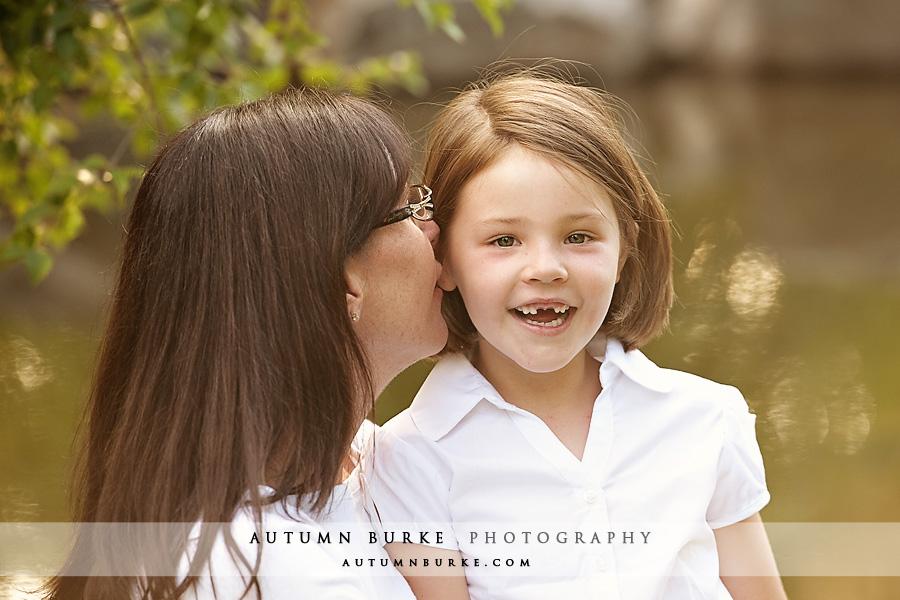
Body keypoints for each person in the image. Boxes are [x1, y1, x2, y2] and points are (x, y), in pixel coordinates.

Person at [369, 71, 787, 599]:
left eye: (578, 236)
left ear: (624, 248)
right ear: (443, 260)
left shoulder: (704, 418)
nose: (546, 268)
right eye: (504, 240)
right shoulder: (410, 457)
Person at [42, 86, 447, 599]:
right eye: (407, 207)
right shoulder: (271, 574)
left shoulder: (372, 459)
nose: (433, 228)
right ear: (342, 279)